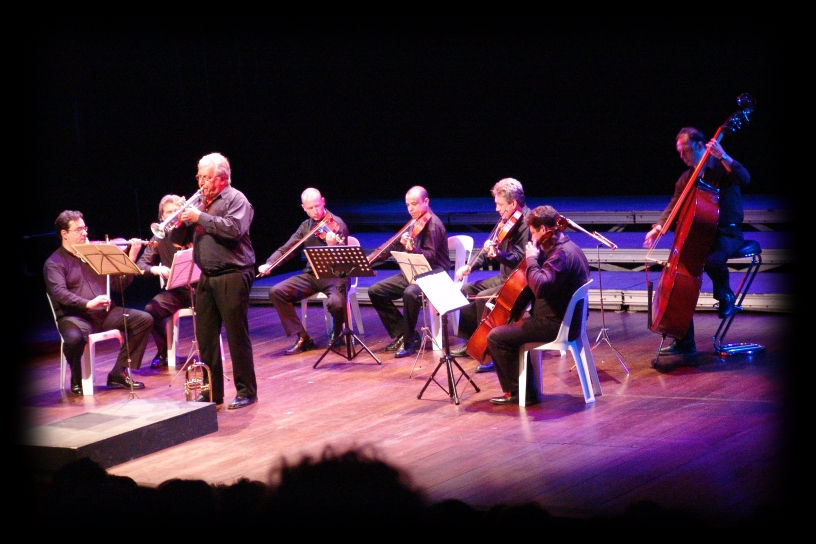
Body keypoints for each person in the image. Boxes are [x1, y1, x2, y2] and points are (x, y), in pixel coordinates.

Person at [643, 127, 751, 356]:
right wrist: (659, 227)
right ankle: (684, 341)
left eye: (686, 150)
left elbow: (745, 178)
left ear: (700, 146)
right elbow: (674, 205)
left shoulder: (721, 168)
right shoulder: (686, 178)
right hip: (701, 237)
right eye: (679, 152)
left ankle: (725, 295)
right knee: (681, 284)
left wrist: (723, 156)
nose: (682, 156)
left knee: (712, 260)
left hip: (727, 234)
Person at [486, 205, 590, 405]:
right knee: (515, 326)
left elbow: (541, 287)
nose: (532, 238)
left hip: (556, 325)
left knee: (497, 336)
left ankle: (521, 393)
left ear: (543, 229)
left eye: (533, 233)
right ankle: (527, 388)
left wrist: (532, 259)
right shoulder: (570, 248)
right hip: (571, 321)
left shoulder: (560, 255)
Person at [177, 152, 258, 410]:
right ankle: (212, 392)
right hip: (206, 276)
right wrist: (179, 221)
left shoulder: (237, 199)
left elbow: (234, 229)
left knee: (236, 335)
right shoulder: (201, 203)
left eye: (207, 177)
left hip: (233, 273)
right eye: (199, 176)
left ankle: (246, 391)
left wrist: (199, 217)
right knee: (206, 337)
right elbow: (179, 241)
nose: (201, 182)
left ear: (222, 178)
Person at [43, 210, 154, 395]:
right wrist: (88, 303)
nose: (85, 233)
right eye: (78, 230)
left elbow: (118, 285)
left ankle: (118, 373)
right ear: (64, 234)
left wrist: (131, 258)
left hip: (104, 314)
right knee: (73, 339)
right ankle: (76, 378)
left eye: (84, 228)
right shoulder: (54, 263)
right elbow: (60, 293)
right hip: (74, 317)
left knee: (144, 319)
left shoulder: (95, 255)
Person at [451, 178, 530, 373]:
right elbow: (489, 250)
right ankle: (471, 341)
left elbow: (520, 259)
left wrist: (499, 254)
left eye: (500, 204)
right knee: (468, 290)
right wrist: (471, 265)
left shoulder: (526, 223)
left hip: (520, 283)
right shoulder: (506, 220)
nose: (497, 209)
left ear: (513, 203)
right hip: (505, 278)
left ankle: (489, 352)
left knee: (482, 298)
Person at [258, 188, 350, 355]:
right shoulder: (305, 227)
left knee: (336, 303)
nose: (315, 211)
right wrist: (270, 263)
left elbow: (344, 256)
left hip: (335, 277)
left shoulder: (337, 224)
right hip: (312, 275)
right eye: (310, 208)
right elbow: (287, 249)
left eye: (317, 206)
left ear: (323, 201)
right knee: (277, 292)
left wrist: (332, 245)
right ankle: (303, 337)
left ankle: (337, 334)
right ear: (303, 208)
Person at [367, 186, 450, 358]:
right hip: (414, 273)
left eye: (414, 204)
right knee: (375, 291)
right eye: (407, 205)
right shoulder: (414, 223)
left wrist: (412, 249)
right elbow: (391, 246)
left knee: (410, 293)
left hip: (434, 275)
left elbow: (430, 257)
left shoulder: (434, 225)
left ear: (426, 202)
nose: (410, 209)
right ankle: (402, 331)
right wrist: (370, 260)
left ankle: (409, 341)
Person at [131, 194, 194, 369]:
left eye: (176, 211)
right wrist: (156, 269)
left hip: (201, 289)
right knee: (150, 310)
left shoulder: (193, 229)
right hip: (177, 292)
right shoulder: (159, 237)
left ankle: (208, 352)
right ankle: (164, 351)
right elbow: (141, 265)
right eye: (168, 212)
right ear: (162, 217)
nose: (173, 215)